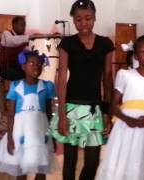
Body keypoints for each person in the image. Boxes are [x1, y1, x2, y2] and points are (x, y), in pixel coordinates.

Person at [48, 0, 114, 179]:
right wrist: (61, 115)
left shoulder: (105, 44)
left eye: (88, 18)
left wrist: (108, 113)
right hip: (71, 109)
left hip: (95, 109)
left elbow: (108, 79)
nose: (83, 23)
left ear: (94, 18)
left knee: (92, 162)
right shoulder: (67, 43)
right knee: (70, 161)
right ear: (73, 20)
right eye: (78, 19)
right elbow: (61, 80)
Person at [96, 35, 144, 180]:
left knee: (140, 163)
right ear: (136, 55)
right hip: (125, 127)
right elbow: (113, 105)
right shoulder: (125, 75)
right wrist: (127, 119)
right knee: (121, 161)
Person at [0, 50, 56, 180]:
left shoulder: (47, 86)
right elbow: (11, 115)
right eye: (31, 63)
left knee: (41, 166)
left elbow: (49, 112)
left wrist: (52, 134)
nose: (36, 66)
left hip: (40, 130)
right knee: (21, 167)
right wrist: (9, 138)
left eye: (39, 64)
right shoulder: (16, 86)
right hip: (20, 131)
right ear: (23, 66)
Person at [0, 16, 29, 81]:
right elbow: (12, 41)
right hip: (6, 67)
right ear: (14, 25)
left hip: (19, 66)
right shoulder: (6, 34)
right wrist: (29, 37)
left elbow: (28, 51)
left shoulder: (24, 37)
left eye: (24, 25)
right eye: (21, 25)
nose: (24, 28)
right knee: (20, 75)